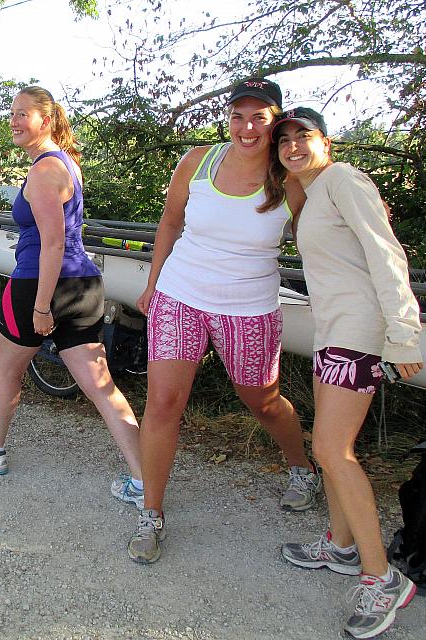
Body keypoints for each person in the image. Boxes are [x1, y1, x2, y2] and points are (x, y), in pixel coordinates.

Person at [127, 78, 321, 565]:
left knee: (264, 402)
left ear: (276, 121)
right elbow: (170, 222)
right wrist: (153, 283)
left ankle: (303, 468)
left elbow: (319, 239)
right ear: (227, 118)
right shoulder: (198, 161)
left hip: (249, 307)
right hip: (181, 295)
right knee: (163, 402)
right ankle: (151, 513)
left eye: (259, 117)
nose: (247, 127)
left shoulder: (289, 179)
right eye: (238, 115)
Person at [271, 107, 423, 639]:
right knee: (325, 448)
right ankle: (339, 543)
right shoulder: (313, 194)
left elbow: (387, 254)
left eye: (302, 135)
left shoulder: (343, 180)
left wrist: (404, 331)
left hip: (357, 332)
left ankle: (382, 578)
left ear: (326, 141)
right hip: (332, 330)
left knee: (334, 451)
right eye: (283, 139)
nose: (292, 144)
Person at [0, 86, 144, 509]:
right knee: (102, 388)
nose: (15, 120)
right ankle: (142, 479)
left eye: (24, 113)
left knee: (6, 374)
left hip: (37, 286)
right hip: (84, 285)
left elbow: (52, 244)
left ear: (46, 120)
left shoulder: (44, 171)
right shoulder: (67, 165)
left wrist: (42, 307)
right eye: (12, 113)